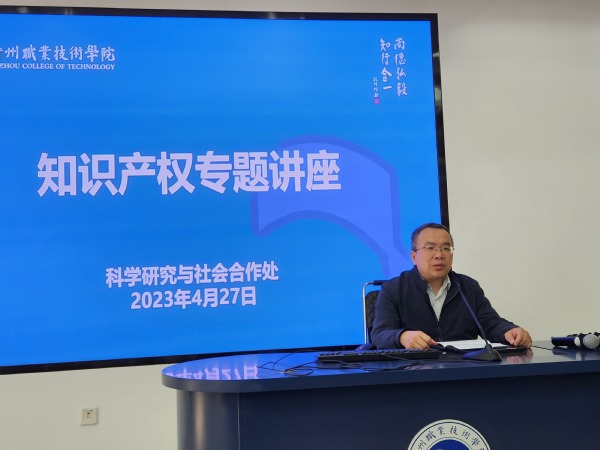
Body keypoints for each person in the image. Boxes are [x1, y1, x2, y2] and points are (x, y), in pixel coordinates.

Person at [371, 223, 532, 350]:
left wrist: (509, 331)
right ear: (414, 256)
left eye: (446, 248)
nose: (439, 255)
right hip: (413, 370)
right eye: (430, 248)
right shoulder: (394, 289)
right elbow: (380, 335)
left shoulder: (468, 287)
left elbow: (490, 324)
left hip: (462, 368)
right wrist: (402, 337)